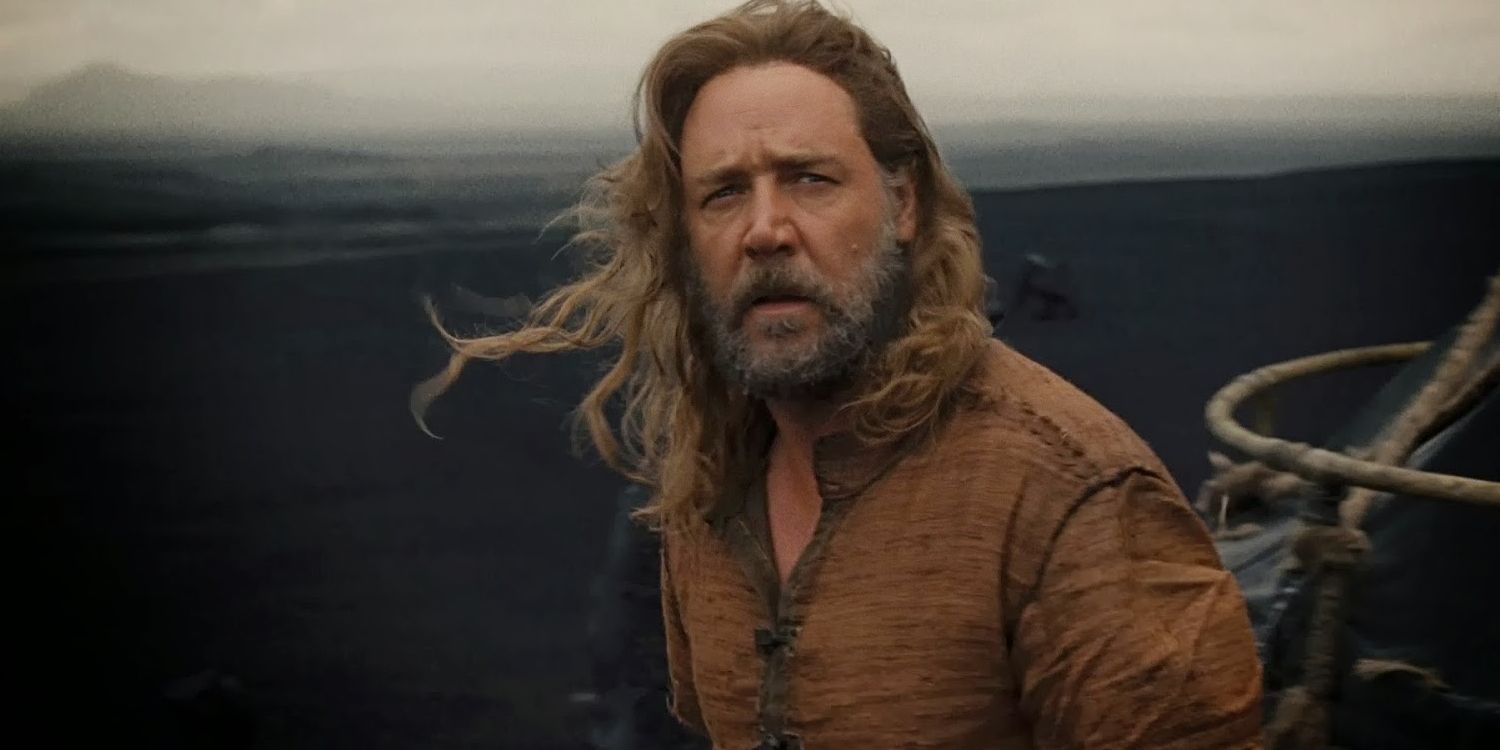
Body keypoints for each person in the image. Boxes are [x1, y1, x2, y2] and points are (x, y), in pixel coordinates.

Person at [413, 1, 1263, 747]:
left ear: (903, 204)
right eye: (723, 193)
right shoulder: (706, 485)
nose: (765, 230)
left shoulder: (1072, 498)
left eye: (809, 179)